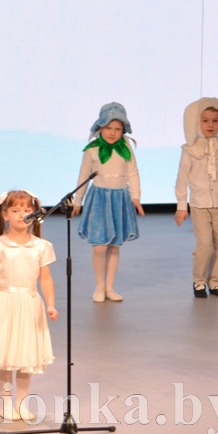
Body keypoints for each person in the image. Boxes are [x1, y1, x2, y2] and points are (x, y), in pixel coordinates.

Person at [0, 190, 58, 422]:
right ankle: (6, 403)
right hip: (5, 303)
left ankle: (21, 403)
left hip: (30, 304)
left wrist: (50, 304)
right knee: (6, 353)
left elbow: (46, 278)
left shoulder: (42, 246)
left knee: (25, 355)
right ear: (5, 215)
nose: (22, 215)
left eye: (27, 210)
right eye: (16, 210)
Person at [72, 102, 144, 303]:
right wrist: (78, 200)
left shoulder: (126, 148)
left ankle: (110, 287)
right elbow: (84, 176)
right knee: (99, 245)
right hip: (99, 199)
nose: (113, 133)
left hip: (119, 198)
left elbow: (133, 173)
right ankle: (99, 285)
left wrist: (136, 197)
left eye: (117, 129)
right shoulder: (92, 150)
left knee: (113, 245)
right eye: (108, 128)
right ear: (100, 127)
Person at [174, 98, 218, 297]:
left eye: (215, 120)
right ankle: (199, 282)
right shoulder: (190, 149)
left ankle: (214, 282)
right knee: (205, 244)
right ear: (197, 122)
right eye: (205, 120)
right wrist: (181, 206)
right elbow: (182, 178)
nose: (210, 125)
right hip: (199, 205)